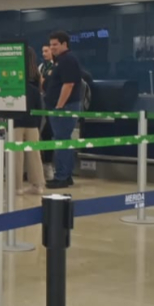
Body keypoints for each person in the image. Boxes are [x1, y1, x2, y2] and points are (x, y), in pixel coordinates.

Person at [45, 31, 85, 189]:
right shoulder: (60, 60)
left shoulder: (67, 60)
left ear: (64, 44)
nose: (52, 47)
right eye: (51, 44)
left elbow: (68, 84)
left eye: (55, 44)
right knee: (63, 140)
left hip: (65, 107)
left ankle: (61, 176)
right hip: (63, 106)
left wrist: (59, 106)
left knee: (61, 140)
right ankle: (66, 175)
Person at [4, 47, 46, 195]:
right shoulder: (36, 74)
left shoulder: (13, 74)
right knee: (34, 154)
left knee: (16, 155)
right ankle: (38, 184)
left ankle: (17, 187)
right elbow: (38, 97)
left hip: (16, 119)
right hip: (32, 119)